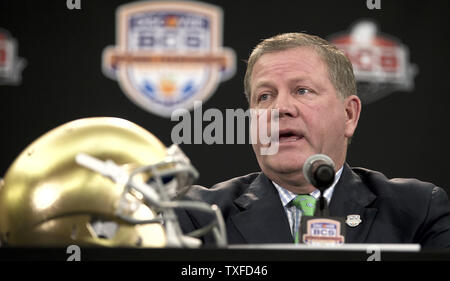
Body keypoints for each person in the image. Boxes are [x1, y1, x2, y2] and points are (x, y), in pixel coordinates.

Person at [176, 32, 450, 248]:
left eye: (302, 90)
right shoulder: (198, 217)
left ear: (349, 114)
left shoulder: (417, 211)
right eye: (264, 96)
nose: (280, 108)